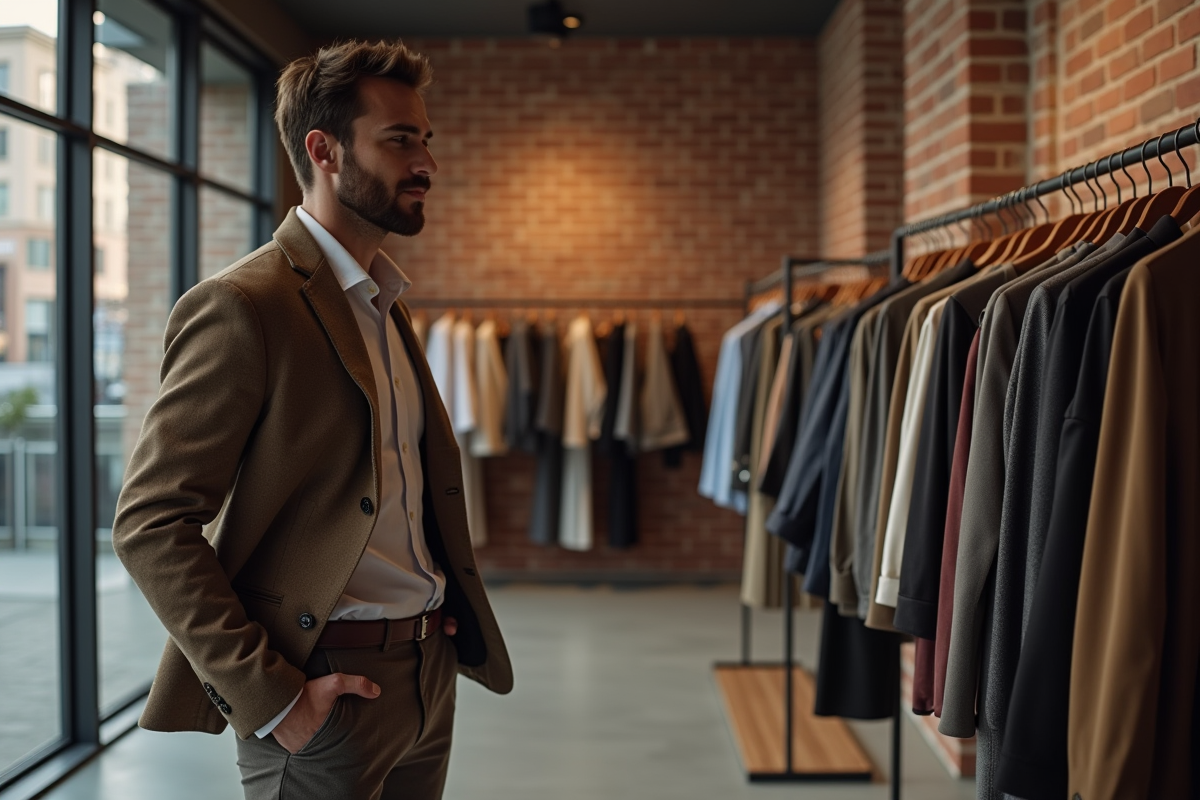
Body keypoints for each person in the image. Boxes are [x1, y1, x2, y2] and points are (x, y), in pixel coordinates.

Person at [112, 39, 512, 800]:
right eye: (400, 139)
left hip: (426, 674)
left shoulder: (384, 303)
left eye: (426, 139)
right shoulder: (244, 305)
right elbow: (150, 522)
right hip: (320, 684)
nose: (426, 161)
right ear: (324, 150)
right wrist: (270, 698)